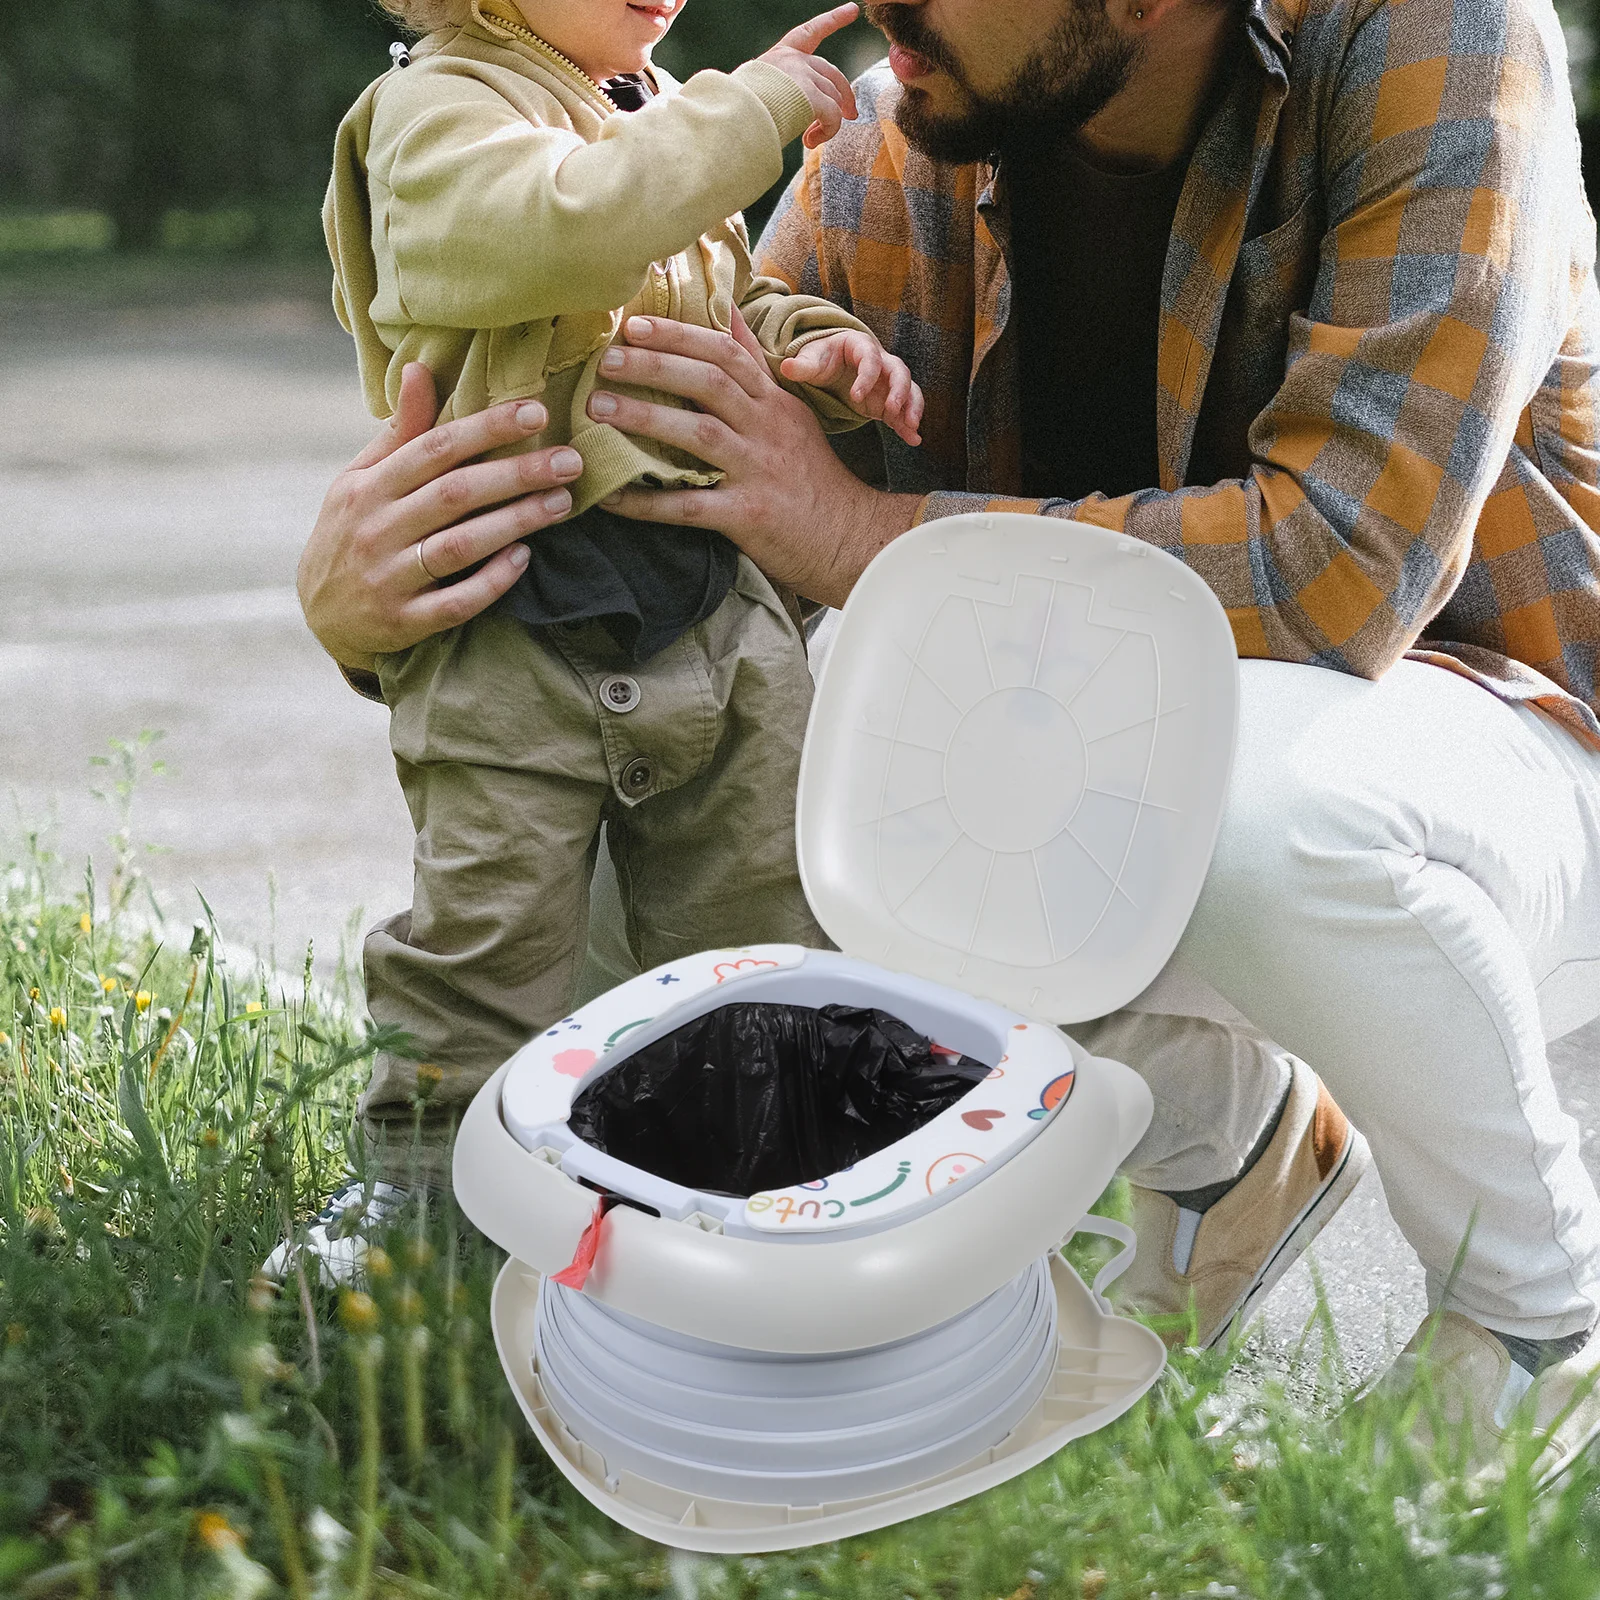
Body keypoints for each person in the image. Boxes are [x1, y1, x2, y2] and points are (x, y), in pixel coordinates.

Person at [299, 0, 1600, 1477]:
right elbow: (696, 533)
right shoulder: (910, 108)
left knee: (1241, 814)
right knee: (665, 908)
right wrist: (367, 601)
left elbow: (1342, 572)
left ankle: (1533, 1320)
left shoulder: (1441, 37)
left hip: (1490, 744)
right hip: (1093, 742)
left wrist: (864, 530)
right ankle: (1232, 1146)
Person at [312, 0, 928, 1202]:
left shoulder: (643, 107)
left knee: (763, 931)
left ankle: (757, 1192)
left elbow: (714, 298)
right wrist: (745, 108)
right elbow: (565, 230)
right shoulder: (437, 109)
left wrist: (813, 344)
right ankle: (426, 1220)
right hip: (507, 628)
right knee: (488, 952)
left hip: (708, 614)